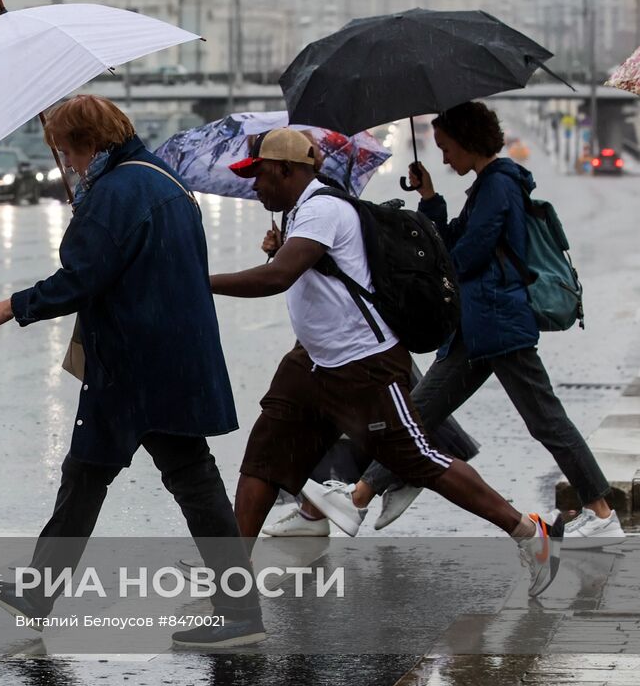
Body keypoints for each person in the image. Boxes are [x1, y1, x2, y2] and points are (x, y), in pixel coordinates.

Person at [210, 128, 563, 598]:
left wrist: (199, 282)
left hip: (364, 364)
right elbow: (313, 271)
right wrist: (284, 244)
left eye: (259, 174)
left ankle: (528, 533)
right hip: (311, 362)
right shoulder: (302, 212)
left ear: (288, 170)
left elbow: (278, 278)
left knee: (421, 460)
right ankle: (230, 581)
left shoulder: (322, 208)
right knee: (262, 461)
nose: (254, 185)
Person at [0, 95, 263, 647]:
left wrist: (14, 305)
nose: (69, 162)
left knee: (114, 476)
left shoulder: (116, 191)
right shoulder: (160, 179)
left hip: (134, 360)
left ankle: (239, 613)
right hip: (169, 352)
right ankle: (236, 608)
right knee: (156, 476)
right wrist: (91, 203)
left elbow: (83, 275)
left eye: (68, 151)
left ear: (87, 143)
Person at [306, 102, 622, 546]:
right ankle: (358, 497)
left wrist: (431, 273)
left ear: (469, 141)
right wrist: (430, 200)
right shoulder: (485, 186)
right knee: (416, 414)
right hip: (477, 327)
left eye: (447, 147)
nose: (445, 156)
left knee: (546, 421)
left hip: (498, 324)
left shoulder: (500, 184)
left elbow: (466, 254)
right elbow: (452, 240)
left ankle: (602, 512)